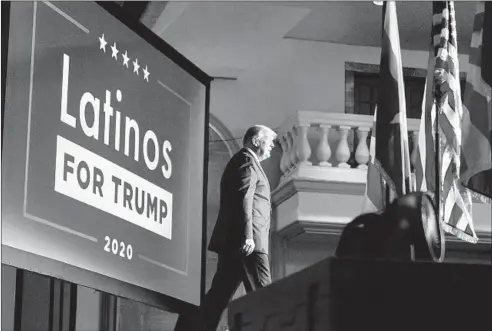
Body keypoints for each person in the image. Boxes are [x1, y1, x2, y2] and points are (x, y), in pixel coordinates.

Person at [174, 125, 277, 331]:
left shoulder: (245, 161)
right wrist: (248, 237)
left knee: (218, 297)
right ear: (256, 141)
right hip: (249, 243)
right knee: (266, 297)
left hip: (238, 242)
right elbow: (243, 198)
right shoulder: (247, 161)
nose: (273, 146)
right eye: (270, 141)